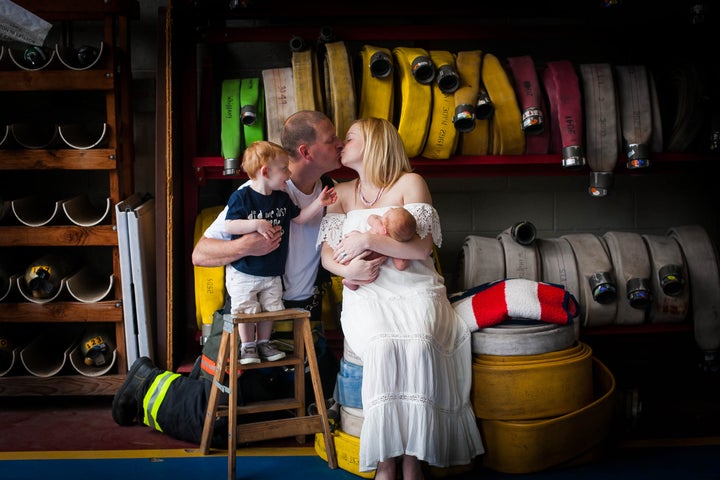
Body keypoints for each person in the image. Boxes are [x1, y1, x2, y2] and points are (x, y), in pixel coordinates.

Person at [111, 110, 345, 446]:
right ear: (307, 152)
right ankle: (145, 382)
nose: (339, 143)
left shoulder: (332, 193)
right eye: (330, 139)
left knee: (318, 418)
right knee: (219, 427)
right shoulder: (260, 192)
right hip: (251, 319)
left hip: (303, 323)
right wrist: (247, 244)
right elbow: (200, 254)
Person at [317, 117, 484, 480]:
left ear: (375, 142)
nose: (342, 145)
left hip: (415, 289)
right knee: (379, 344)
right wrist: (348, 272)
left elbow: (422, 247)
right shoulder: (340, 191)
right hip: (368, 292)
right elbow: (328, 254)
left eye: (349, 138)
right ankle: (385, 458)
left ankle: (413, 457)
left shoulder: (411, 182)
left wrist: (368, 241)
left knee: (421, 341)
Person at [223, 140, 336, 364]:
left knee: (271, 309)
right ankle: (247, 346)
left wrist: (319, 203)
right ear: (266, 171)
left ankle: (264, 343)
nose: (288, 172)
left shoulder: (282, 198)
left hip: (272, 271)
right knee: (246, 310)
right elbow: (229, 225)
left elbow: (300, 218)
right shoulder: (242, 196)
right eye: (284, 168)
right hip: (245, 271)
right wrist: (255, 225)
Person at [341, 206, 415, 291]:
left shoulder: (393, 244)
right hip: (355, 247)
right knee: (355, 233)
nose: (390, 209)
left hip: (362, 262)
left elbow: (400, 265)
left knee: (371, 275)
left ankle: (351, 282)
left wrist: (405, 254)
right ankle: (350, 279)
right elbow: (371, 218)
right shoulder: (380, 223)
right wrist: (377, 225)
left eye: (393, 210)